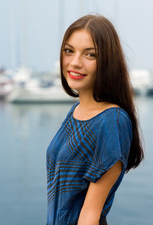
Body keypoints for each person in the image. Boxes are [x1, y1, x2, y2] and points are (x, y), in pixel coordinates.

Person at [46, 14, 144, 225]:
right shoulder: (75, 111)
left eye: (90, 55)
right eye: (69, 51)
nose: (75, 62)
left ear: (107, 61)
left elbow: (90, 213)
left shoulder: (113, 122)